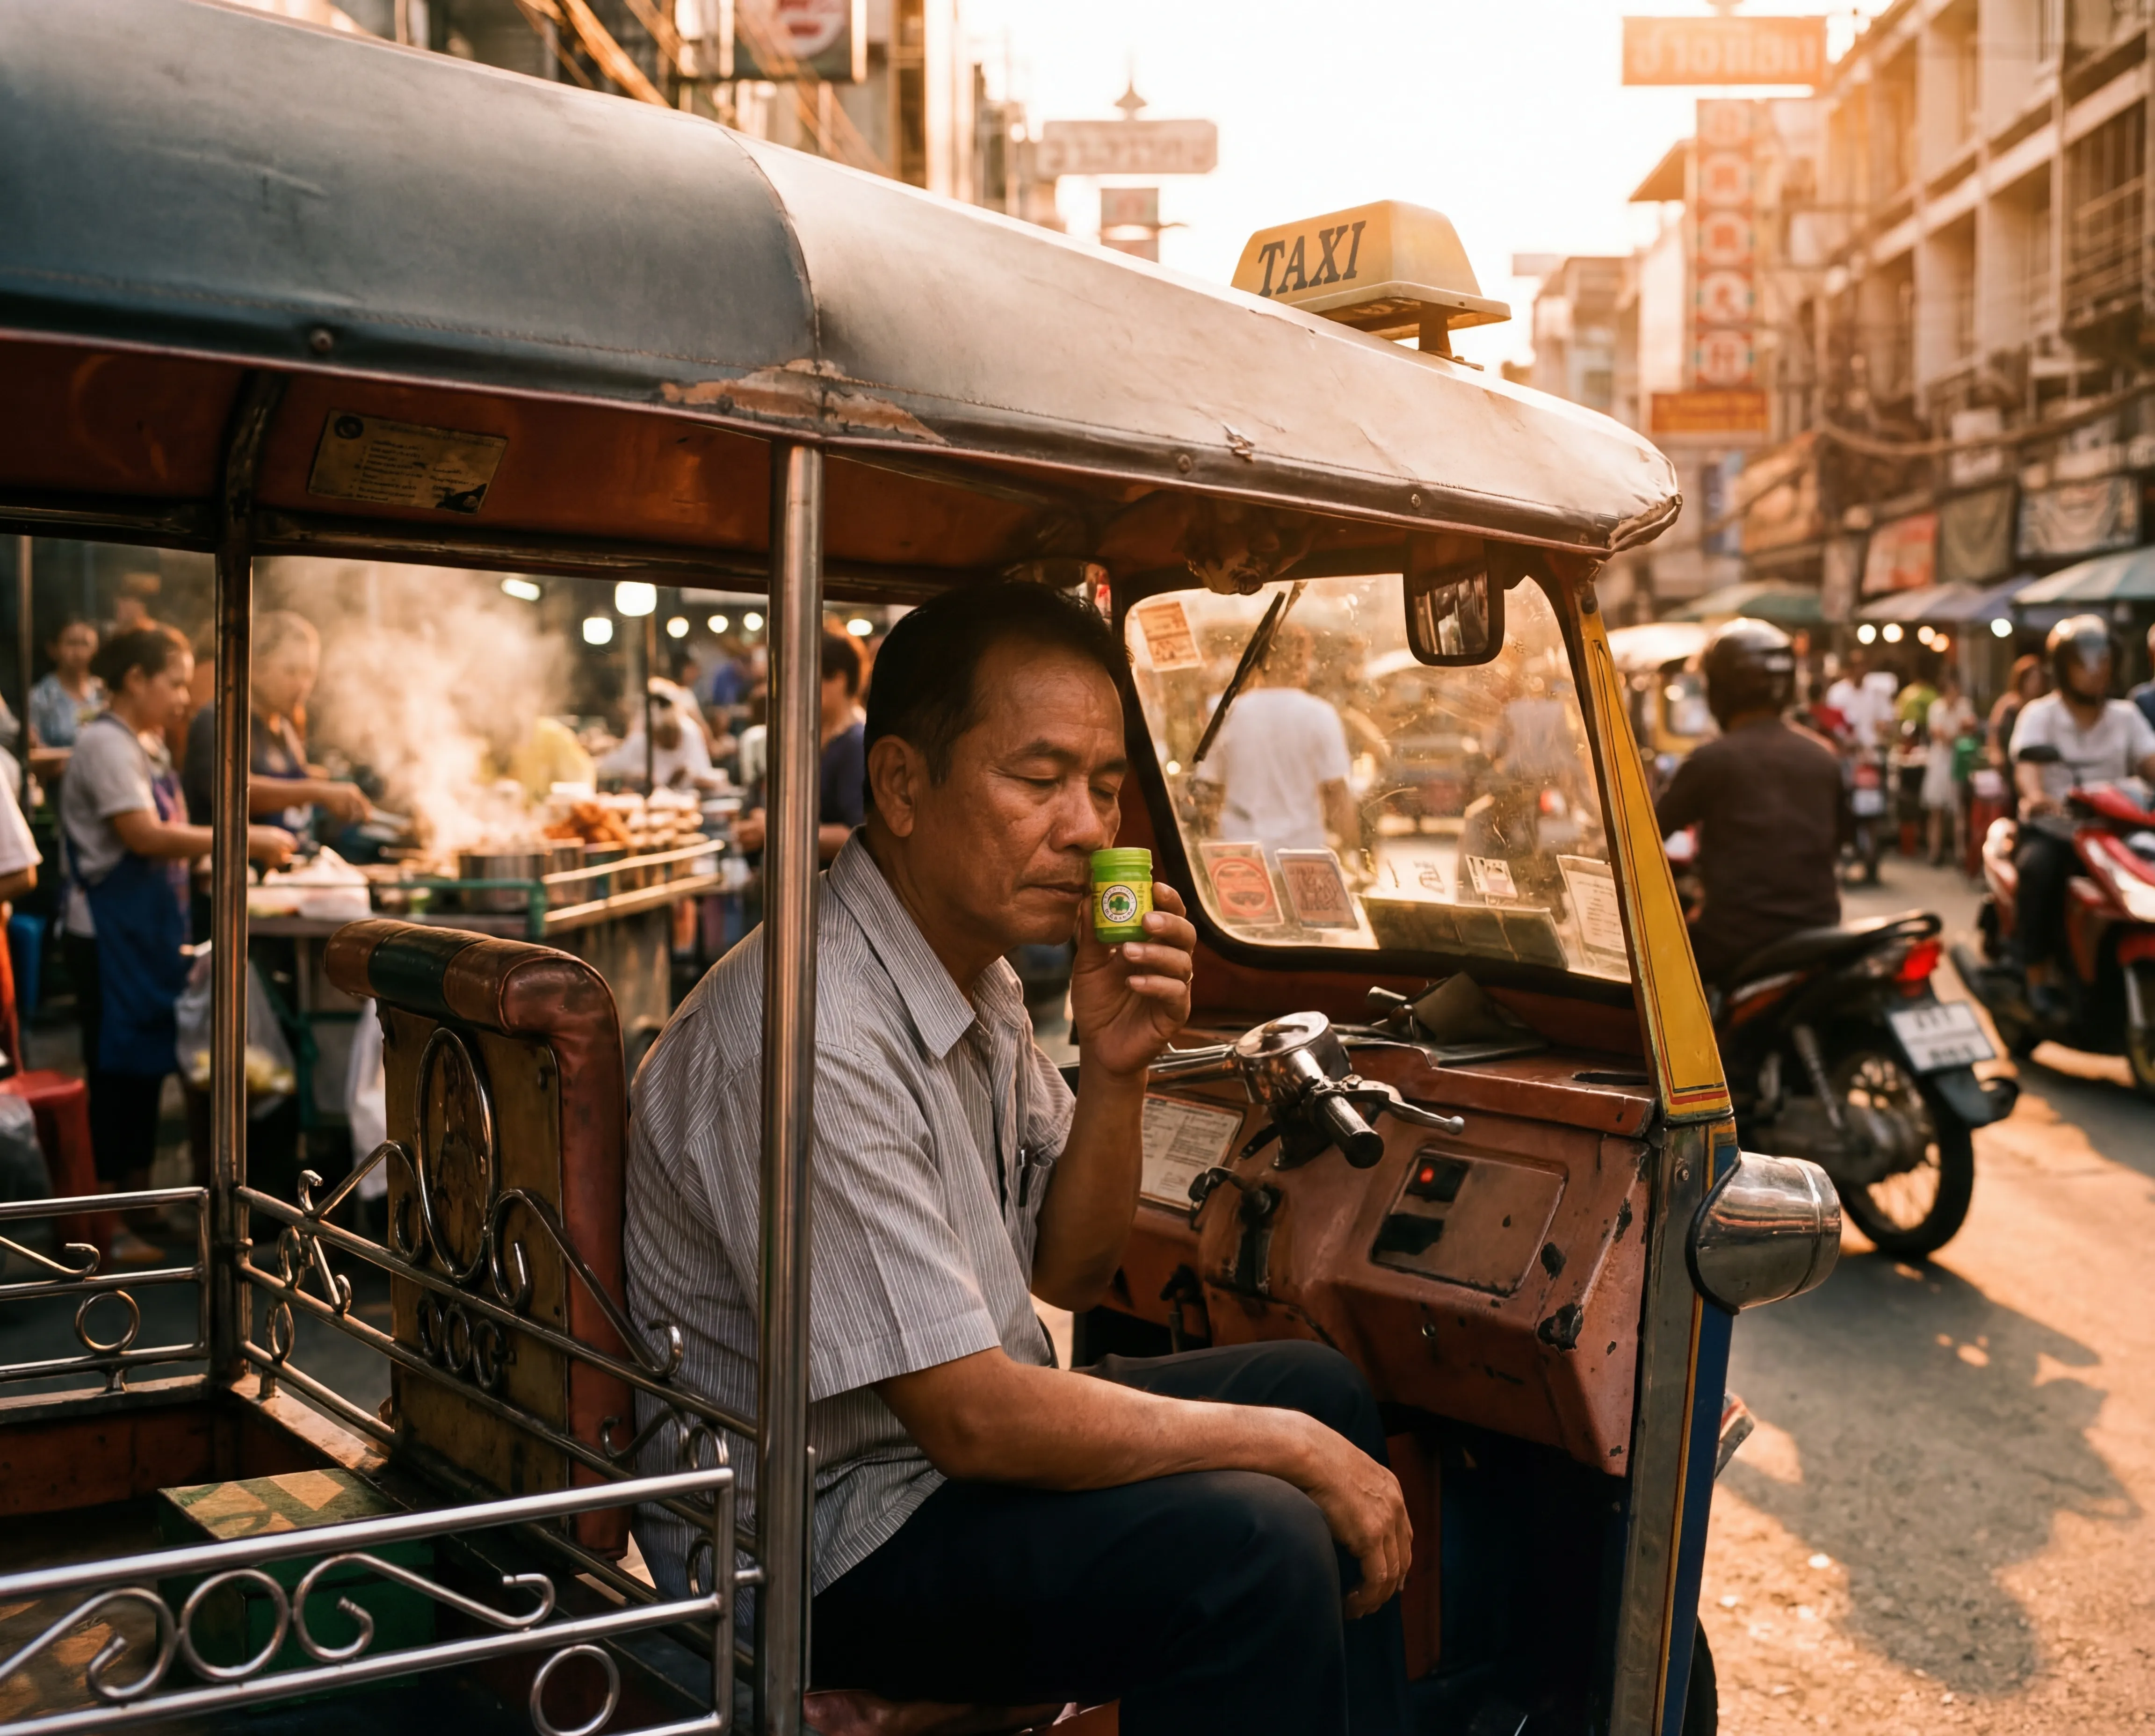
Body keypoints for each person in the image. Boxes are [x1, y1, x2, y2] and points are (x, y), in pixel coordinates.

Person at [625, 583, 1412, 1735]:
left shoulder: (977, 972)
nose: (1087, 827)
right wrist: (1285, 1454)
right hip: (826, 1549)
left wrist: (1119, 1065)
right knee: (1263, 1539)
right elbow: (976, 1421)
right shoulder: (812, 1031)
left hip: (935, 1474)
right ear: (900, 786)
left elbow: (1073, 1271)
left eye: (1100, 787)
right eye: (1037, 781)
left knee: (1320, 1394)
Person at [61, 627, 292, 1211]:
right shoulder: (106, 745)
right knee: (119, 1074)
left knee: (146, 1069)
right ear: (135, 679)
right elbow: (143, 835)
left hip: (150, 929)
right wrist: (246, 838)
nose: (186, 698)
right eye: (174, 683)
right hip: (109, 935)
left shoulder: (149, 744)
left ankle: (143, 1203)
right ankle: (118, 1213)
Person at [1655, 619, 1844, 987]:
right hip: (1821, 933)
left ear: (1720, 690)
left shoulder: (1711, 760)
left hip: (1734, 942)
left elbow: (1642, 840)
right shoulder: (1824, 757)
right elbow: (1836, 844)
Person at [2007, 616, 2155, 1018]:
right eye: (2085, 661)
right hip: (2056, 829)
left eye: (2104, 659)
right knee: (2039, 870)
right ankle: (2035, 974)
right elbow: (2026, 766)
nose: (2097, 670)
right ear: (2063, 667)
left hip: (2117, 832)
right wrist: (2036, 796)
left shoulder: (2125, 716)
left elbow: (2149, 761)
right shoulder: (2040, 715)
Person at [182, 610, 368, 842]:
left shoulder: (284, 729)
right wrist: (317, 792)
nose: (302, 685)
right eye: (290, 671)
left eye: (308, 673)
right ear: (256, 669)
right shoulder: (220, 719)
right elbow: (230, 792)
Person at [1197, 622, 1358, 857]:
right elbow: (1337, 794)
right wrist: (1353, 852)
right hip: (1303, 856)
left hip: (1243, 856)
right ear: (1303, 662)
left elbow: (1210, 789)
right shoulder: (1320, 715)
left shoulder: (1225, 712)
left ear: (1260, 662)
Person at [733, 629, 866, 865]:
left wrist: (778, 831)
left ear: (838, 679)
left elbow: (857, 836)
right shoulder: (813, 737)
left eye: (807, 677)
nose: (798, 689)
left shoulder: (855, 743)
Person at [596, 679, 723, 792]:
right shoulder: (642, 737)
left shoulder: (688, 731)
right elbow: (613, 767)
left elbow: (704, 775)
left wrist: (686, 777)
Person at [1922, 673, 1976, 867]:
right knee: (1936, 810)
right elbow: (1940, 735)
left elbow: (1970, 728)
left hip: (1959, 761)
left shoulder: (1965, 706)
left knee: (1960, 810)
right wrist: (1958, 732)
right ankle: (1934, 852)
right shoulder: (1936, 708)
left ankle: (1960, 853)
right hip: (1940, 763)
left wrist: (1959, 732)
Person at [29, 618, 103, 750]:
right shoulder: (41, 697)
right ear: (53, 649)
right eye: (72, 643)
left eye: (85, 644)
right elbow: (35, 748)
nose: (79, 652)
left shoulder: (104, 692)